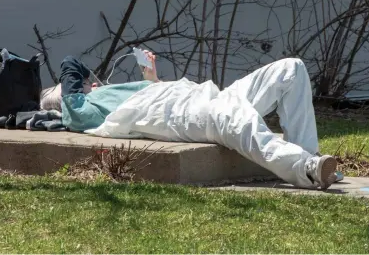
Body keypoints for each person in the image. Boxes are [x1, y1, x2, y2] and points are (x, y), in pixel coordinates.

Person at [42, 51, 338, 190]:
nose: (93, 85)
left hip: (199, 96)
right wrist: (75, 88)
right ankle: (307, 169)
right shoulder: (83, 112)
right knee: (239, 123)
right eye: (83, 87)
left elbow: (151, 94)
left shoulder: (106, 96)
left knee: (291, 69)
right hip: (184, 112)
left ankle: (310, 154)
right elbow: (69, 62)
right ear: (70, 97)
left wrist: (152, 79)